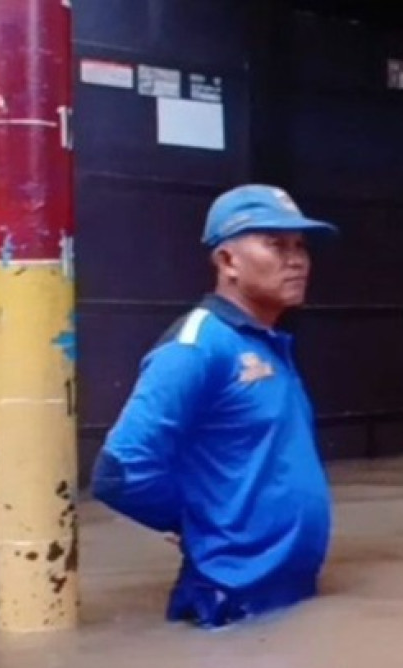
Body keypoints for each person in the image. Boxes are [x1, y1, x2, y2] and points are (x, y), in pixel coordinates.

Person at [92, 184, 339, 628]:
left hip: (287, 595)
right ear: (227, 262)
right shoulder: (198, 345)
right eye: (275, 244)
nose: (297, 259)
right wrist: (197, 522)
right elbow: (120, 470)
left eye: (300, 246)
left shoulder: (268, 342)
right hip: (229, 601)